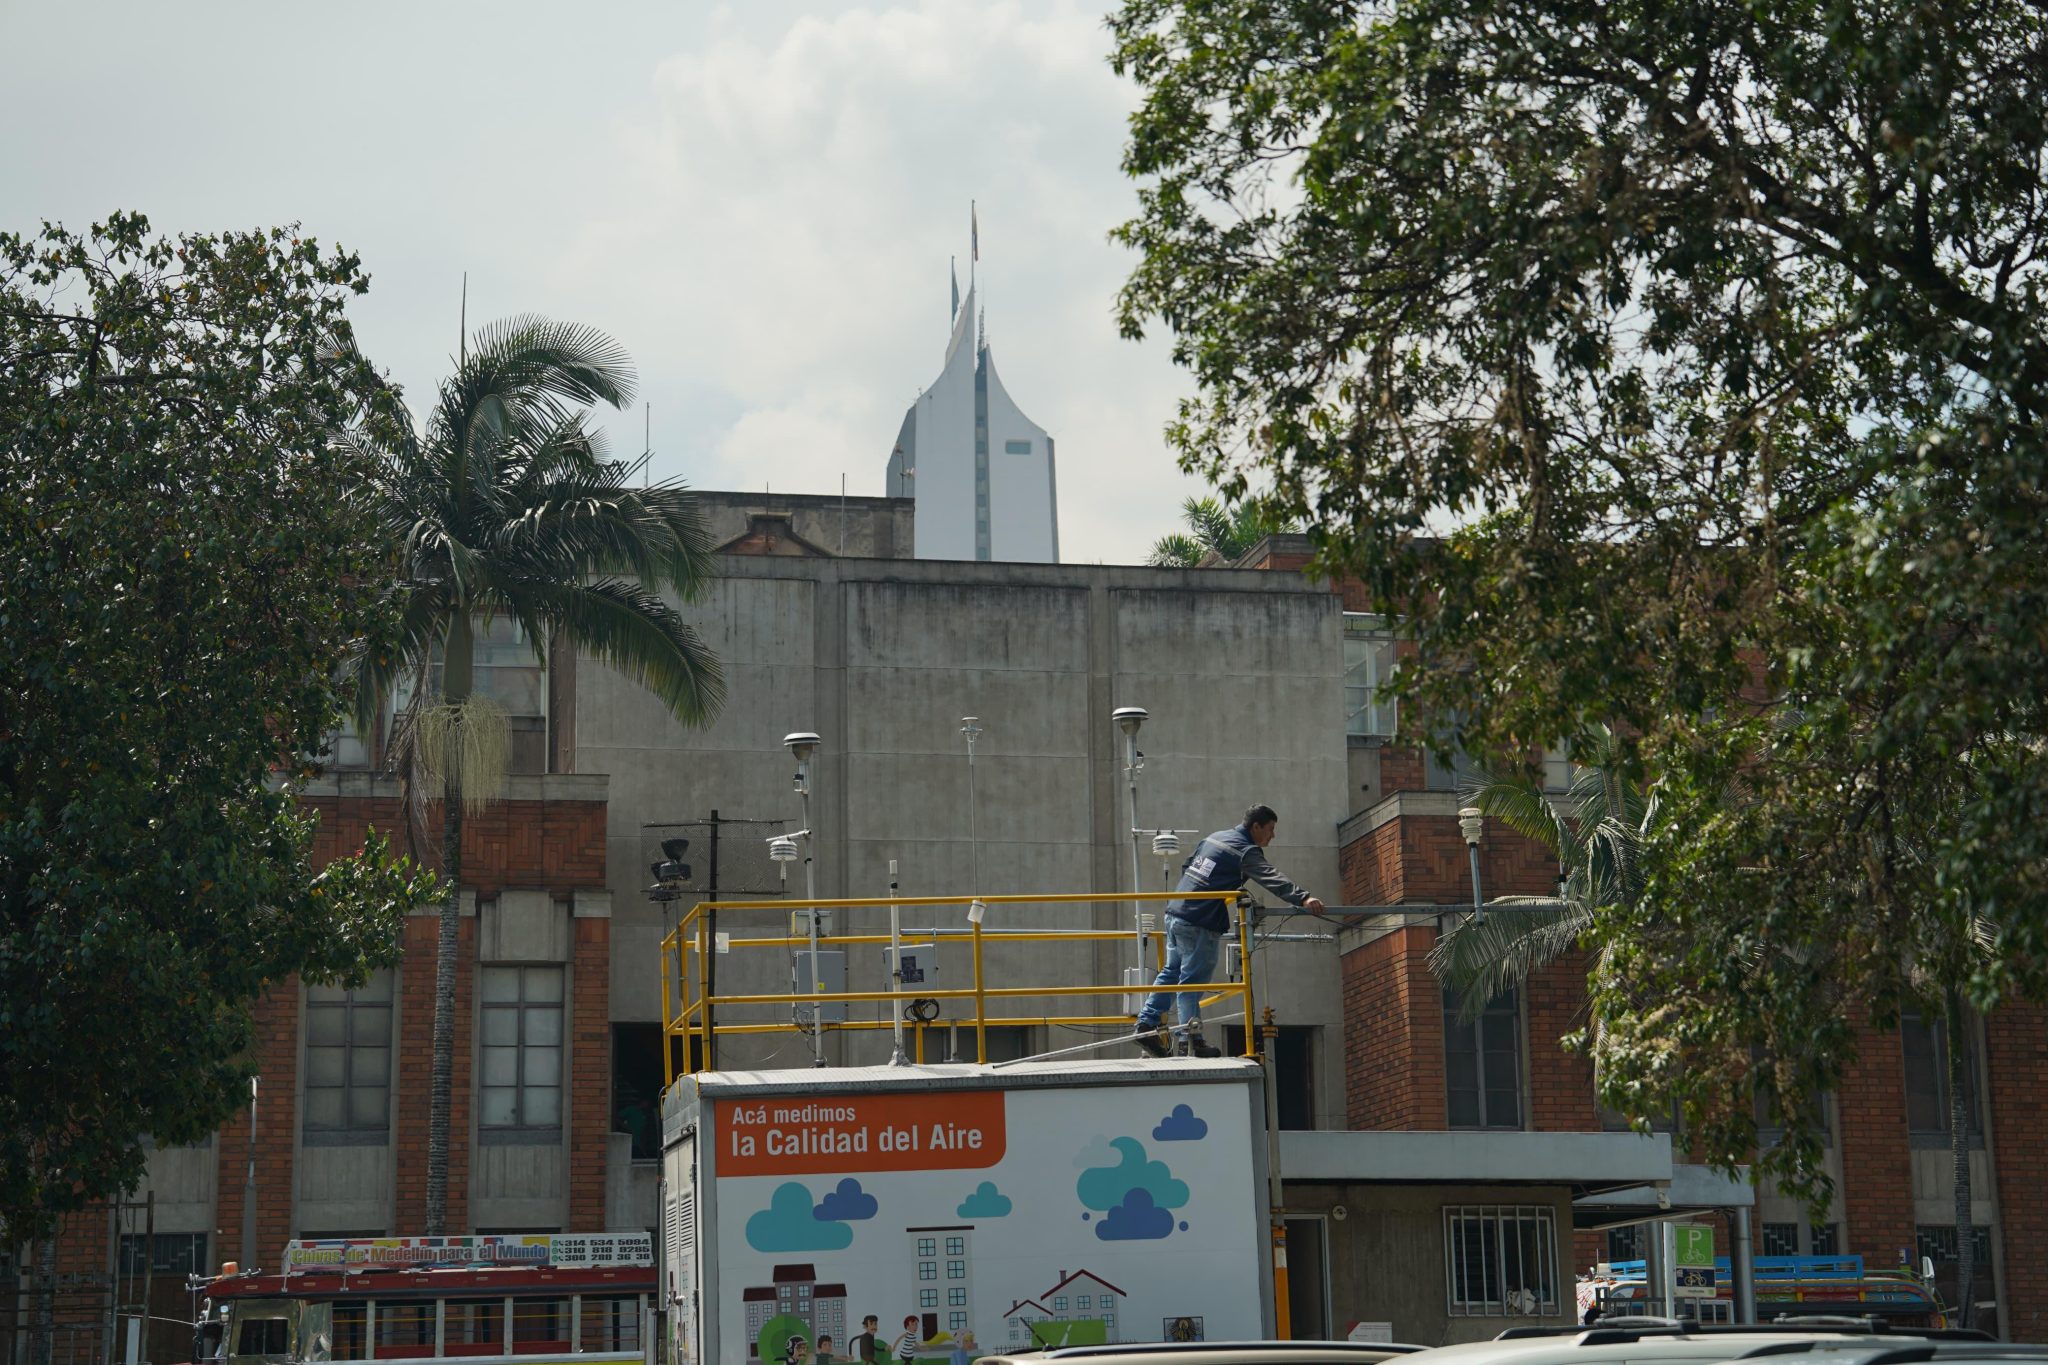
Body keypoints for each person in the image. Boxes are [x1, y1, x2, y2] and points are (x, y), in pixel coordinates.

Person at [1134, 803, 1324, 1058]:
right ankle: (1189, 1040)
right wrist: (1303, 898)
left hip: (1175, 913)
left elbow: (1187, 867)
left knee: (1172, 972)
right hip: (1198, 922)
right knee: (1191, 981)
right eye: (1270, 829)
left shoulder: (1215, 838)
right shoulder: (1245, 850)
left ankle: (1146, 1024)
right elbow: (1271, 877)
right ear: (1256, 827)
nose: (1272, 836)